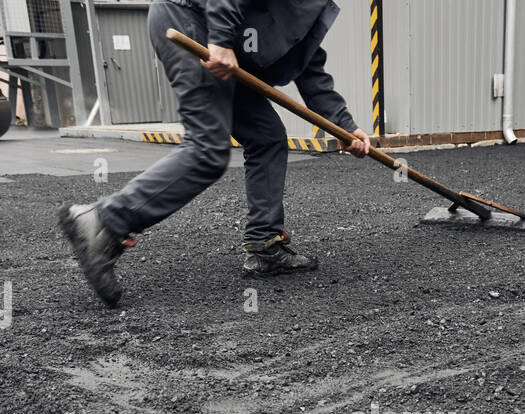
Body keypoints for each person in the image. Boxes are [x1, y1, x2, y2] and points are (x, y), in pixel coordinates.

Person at [59, 0, 371, 307]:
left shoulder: (314, 8)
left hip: (221, 43)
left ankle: (265, 244)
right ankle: (103, 221)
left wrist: (344, 126)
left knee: (267, 136)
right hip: (192, 20)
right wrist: (221, 40)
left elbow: (309, 66)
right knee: (208, 148)